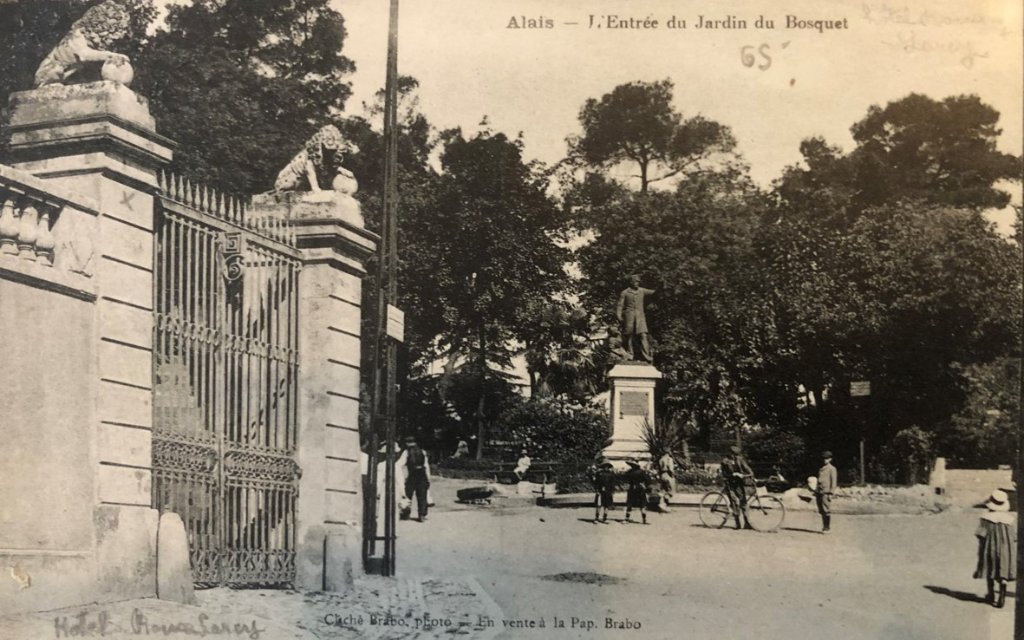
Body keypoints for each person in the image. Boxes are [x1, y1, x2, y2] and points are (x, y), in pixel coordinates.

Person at [974, 489, 1017, 608]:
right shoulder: (1010, 519)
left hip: (990, 546)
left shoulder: (986, 518)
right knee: (1003, 568)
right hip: (1006, 549)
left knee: (990, 567)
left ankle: (991, 593)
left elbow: (981, 534)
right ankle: (1002, 594)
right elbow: (1014, 537)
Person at [616, 274, 655, 362]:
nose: (637, 283)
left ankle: (646, 356)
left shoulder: (642, 291)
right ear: (631, 282)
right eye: (635, 281)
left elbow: (654, 292)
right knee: (629, 335)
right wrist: (619, 316)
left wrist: (662, 285)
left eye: (638, 282)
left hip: (640, 317)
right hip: (629, 316)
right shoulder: (625, 292)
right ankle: (630, 354)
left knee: (643, 335)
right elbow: (620, 305)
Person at [720, 445, 754, 529]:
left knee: (744, 502)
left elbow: (746, 467)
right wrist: (733, 474)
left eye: (736, 455)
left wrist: (751, 474)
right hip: (730, 483)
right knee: (735, 502)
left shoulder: (739, 459)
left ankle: (747, 523)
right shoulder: (725, 462)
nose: (735, 456)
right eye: (734, 454)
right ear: (730, 454)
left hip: (739, 483)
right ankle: (737, 523)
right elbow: (724, 474)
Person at [401, 436, 431, 522]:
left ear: (407, 443)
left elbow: (401, 464)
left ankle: (406, 513)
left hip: (412, 473)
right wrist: (428, 479)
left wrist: (403, 476)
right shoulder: (422, 451)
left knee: (407, 494)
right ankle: (422, 514)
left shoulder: (406, 452)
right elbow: (426, 466)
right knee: (422, 495)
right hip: (422, 473)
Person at [816, 450, 838, 533]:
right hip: (819, 491)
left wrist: (831, 493)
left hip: (826, 492)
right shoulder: (821, 468)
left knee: (826, 510)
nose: (825, 460)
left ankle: (827, 528)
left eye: (827, 458)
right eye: (824, 458)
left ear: (830, 459)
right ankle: (824, 526)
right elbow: (819, 480)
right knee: (821, 510)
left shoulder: (832, 469)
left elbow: (834, 482)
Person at [624, 459, 649, 524]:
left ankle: (627, 519)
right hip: (640, 488)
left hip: (632, 488)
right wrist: (644, 485)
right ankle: (644, 519)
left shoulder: (629, 472)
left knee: (630, 504)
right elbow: (647, 480)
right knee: (642, 504)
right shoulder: (642, 472)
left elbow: (625, 479)